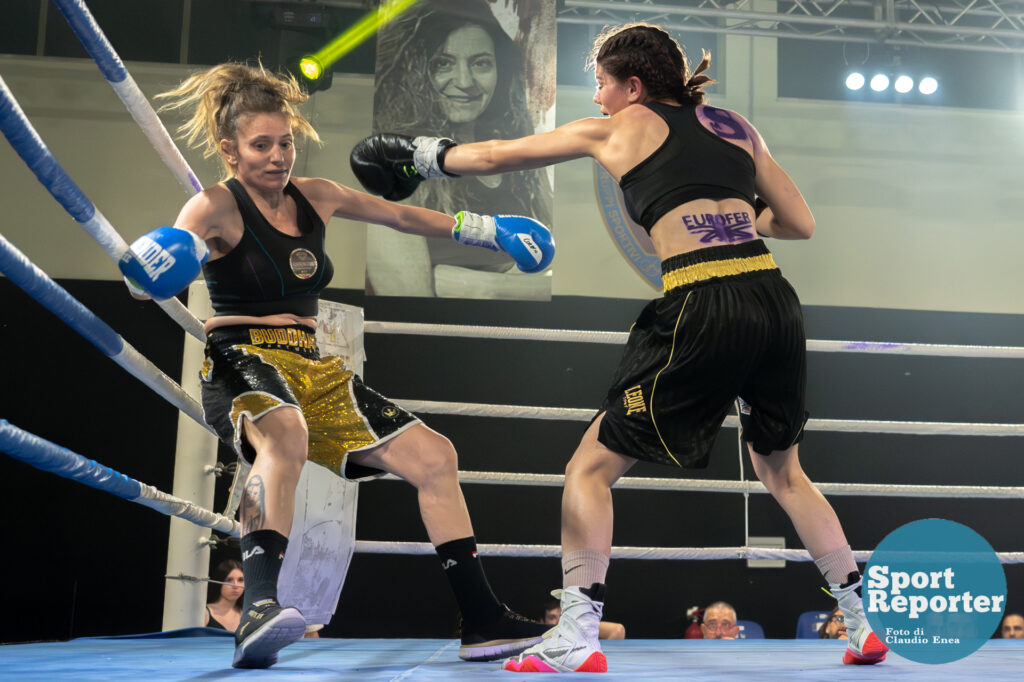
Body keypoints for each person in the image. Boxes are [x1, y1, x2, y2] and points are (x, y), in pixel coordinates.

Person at [351, 21, 888, 674]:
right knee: (784, 472)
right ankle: (861, 625)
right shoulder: (736, 126)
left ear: (633, 85)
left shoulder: (612, 128)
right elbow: (798, 223)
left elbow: (494, 156)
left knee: (589, 468)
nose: (598, 98)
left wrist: (419, 154)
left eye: (602, 84)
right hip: (773, 300)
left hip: (701, 299)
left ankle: (577, 635)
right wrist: (738, 218)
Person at [122, 61, 553, 669]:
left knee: (436, 457)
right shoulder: (212, 206)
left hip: (313, 367)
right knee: (285, 435)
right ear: (230, 149)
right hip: (241, 357)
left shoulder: (316, 195)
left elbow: (400, 216)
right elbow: (169, 260)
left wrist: (486, 229)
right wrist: (152, 270)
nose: (278, 156)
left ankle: (481, 618)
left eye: (286, 142)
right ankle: (260, 607)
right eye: (261, 145)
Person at [367, 0, 553, 299]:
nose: (465, 82)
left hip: (521, 338)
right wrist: (512, 286)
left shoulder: (519, 164)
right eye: (443, 63)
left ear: (500, 71)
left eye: (480, 63)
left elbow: (548, 274)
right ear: (416, 74)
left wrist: (483, 287)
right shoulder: (396, 171)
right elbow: (407, 304)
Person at [543, 594, 626, 640]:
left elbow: (617, 630)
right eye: (552, 618)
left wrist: (584, 624)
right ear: (542, 621)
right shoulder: (536, 643)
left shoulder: (578, 633)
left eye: (562, 616)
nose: (559, 621)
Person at [204, 559, 244, 631]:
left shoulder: (247, 616)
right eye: (229, 580)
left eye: (240, 580)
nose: (235, 585)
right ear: (219, 581)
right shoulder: (205, 613)